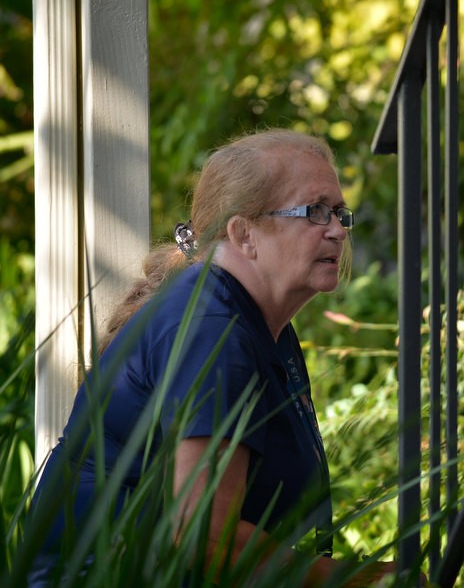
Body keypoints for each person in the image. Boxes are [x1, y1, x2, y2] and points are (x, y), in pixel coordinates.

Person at [27, 130, 395, 587]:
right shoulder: (212, 327)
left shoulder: (250, 320)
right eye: (315, 211)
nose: (338, 230)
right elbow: (204, 539)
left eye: (340, 213)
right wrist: (367, 581)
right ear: (244, 233)